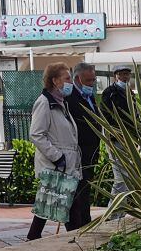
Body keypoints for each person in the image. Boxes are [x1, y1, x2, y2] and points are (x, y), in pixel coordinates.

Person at [27, 62, 82, 240]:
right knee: (53, 208)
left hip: (66, 166)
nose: (70, 83)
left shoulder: (60, 104)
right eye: (66, 79)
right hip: (57, 166)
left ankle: (36, 238)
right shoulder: (44, 103)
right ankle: (72, 241)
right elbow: (36, 134)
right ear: (55, 80)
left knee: (58, 207)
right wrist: (57, 157)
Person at [65, 62, 100, 230]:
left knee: (86, 190)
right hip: (79, 152)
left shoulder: (89, 96)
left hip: (91, 152)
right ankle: (78, 225)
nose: (92, 84)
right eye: (88, 80)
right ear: (78, 79)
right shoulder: (70, 97)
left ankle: (86, 221)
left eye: (93, 80)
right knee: (77, 191)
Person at [101, 64, 134, 198]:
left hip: (128, 139)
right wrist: (116, 132)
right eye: (122, 74)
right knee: (121, 176)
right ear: (116, 76)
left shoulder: (130, 93)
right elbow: (105, 115)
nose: (124, 77)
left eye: (127, 74)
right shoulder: (109, 93)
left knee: (125, 175)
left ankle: (118, 211)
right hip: (116, 139)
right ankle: (114, 212)